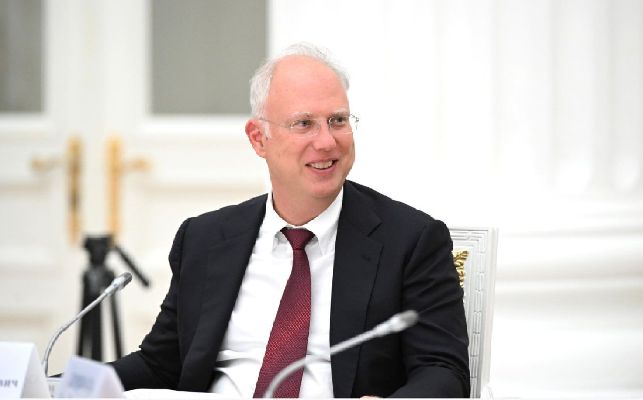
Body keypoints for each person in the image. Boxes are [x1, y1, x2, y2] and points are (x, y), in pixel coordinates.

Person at [112, 43, 470, 398]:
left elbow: (443, 370)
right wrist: (79, 381)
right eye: (304, 124)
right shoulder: (204, 238)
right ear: (258, 139)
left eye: (337, 121)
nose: (327, 142)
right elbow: (160, 364)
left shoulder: (410, 240)